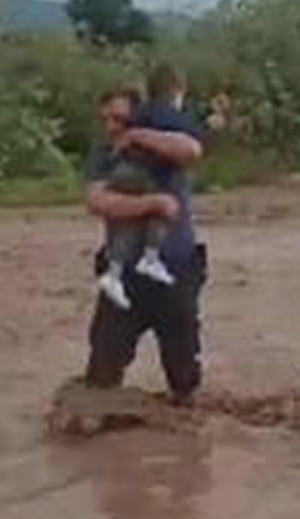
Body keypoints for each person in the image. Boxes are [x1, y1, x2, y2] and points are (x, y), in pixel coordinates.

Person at [82, 76, 210, 406]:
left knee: (184, 380)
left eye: (120, 119)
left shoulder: (165, 143)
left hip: (174, 269)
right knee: (101, 375)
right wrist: (150, 205)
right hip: (122, 275)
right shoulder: (105, 150)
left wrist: (137, 135)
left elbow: (191, 150)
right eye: (106, 119)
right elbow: (97, 201)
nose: (111, 127)